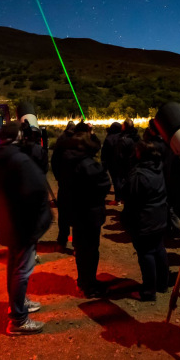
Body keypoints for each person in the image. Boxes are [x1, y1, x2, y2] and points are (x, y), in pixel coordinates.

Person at [0, 123, 52, 335]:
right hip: (23, 224)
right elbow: (36, 191)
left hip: (9, 222)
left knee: (14, 267)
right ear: (19, 136)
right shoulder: (20, 160)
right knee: (22, 271)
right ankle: (18, 320)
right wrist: (41, 220)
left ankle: (18, 303)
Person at [58, 124, 112, 298]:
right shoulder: (88, 166)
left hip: (76, 212)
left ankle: (83, 280)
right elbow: (104, 185)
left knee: (81, 249)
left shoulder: (67, 162)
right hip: (90, 213)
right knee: (90, 250)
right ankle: (90, 285)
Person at [121, 140, 170, 301]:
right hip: (159, 217)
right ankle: (163, 284)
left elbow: (130, 197)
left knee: (146, 253)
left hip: (144, 220)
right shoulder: (158, 168)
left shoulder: (139, 175)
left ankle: (149, 290)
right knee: (159, 249)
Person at [51, 120, 76, 250]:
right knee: (77, 214)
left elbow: (54, 160)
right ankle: (77, 244)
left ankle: (62, 240)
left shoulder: (61, 140)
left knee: (64, 214)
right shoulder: (79, 141)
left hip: (64, 182)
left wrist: (58, 176)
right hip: (76, 183)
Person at [101, 121, 123, 201]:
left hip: (112, 162)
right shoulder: (122, 137)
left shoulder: (109, 138)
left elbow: (105, 151)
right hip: (122, 161)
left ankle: (118, 198)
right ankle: (122, 197)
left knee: (116, 180)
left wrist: (104, 163)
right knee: (121, 179)